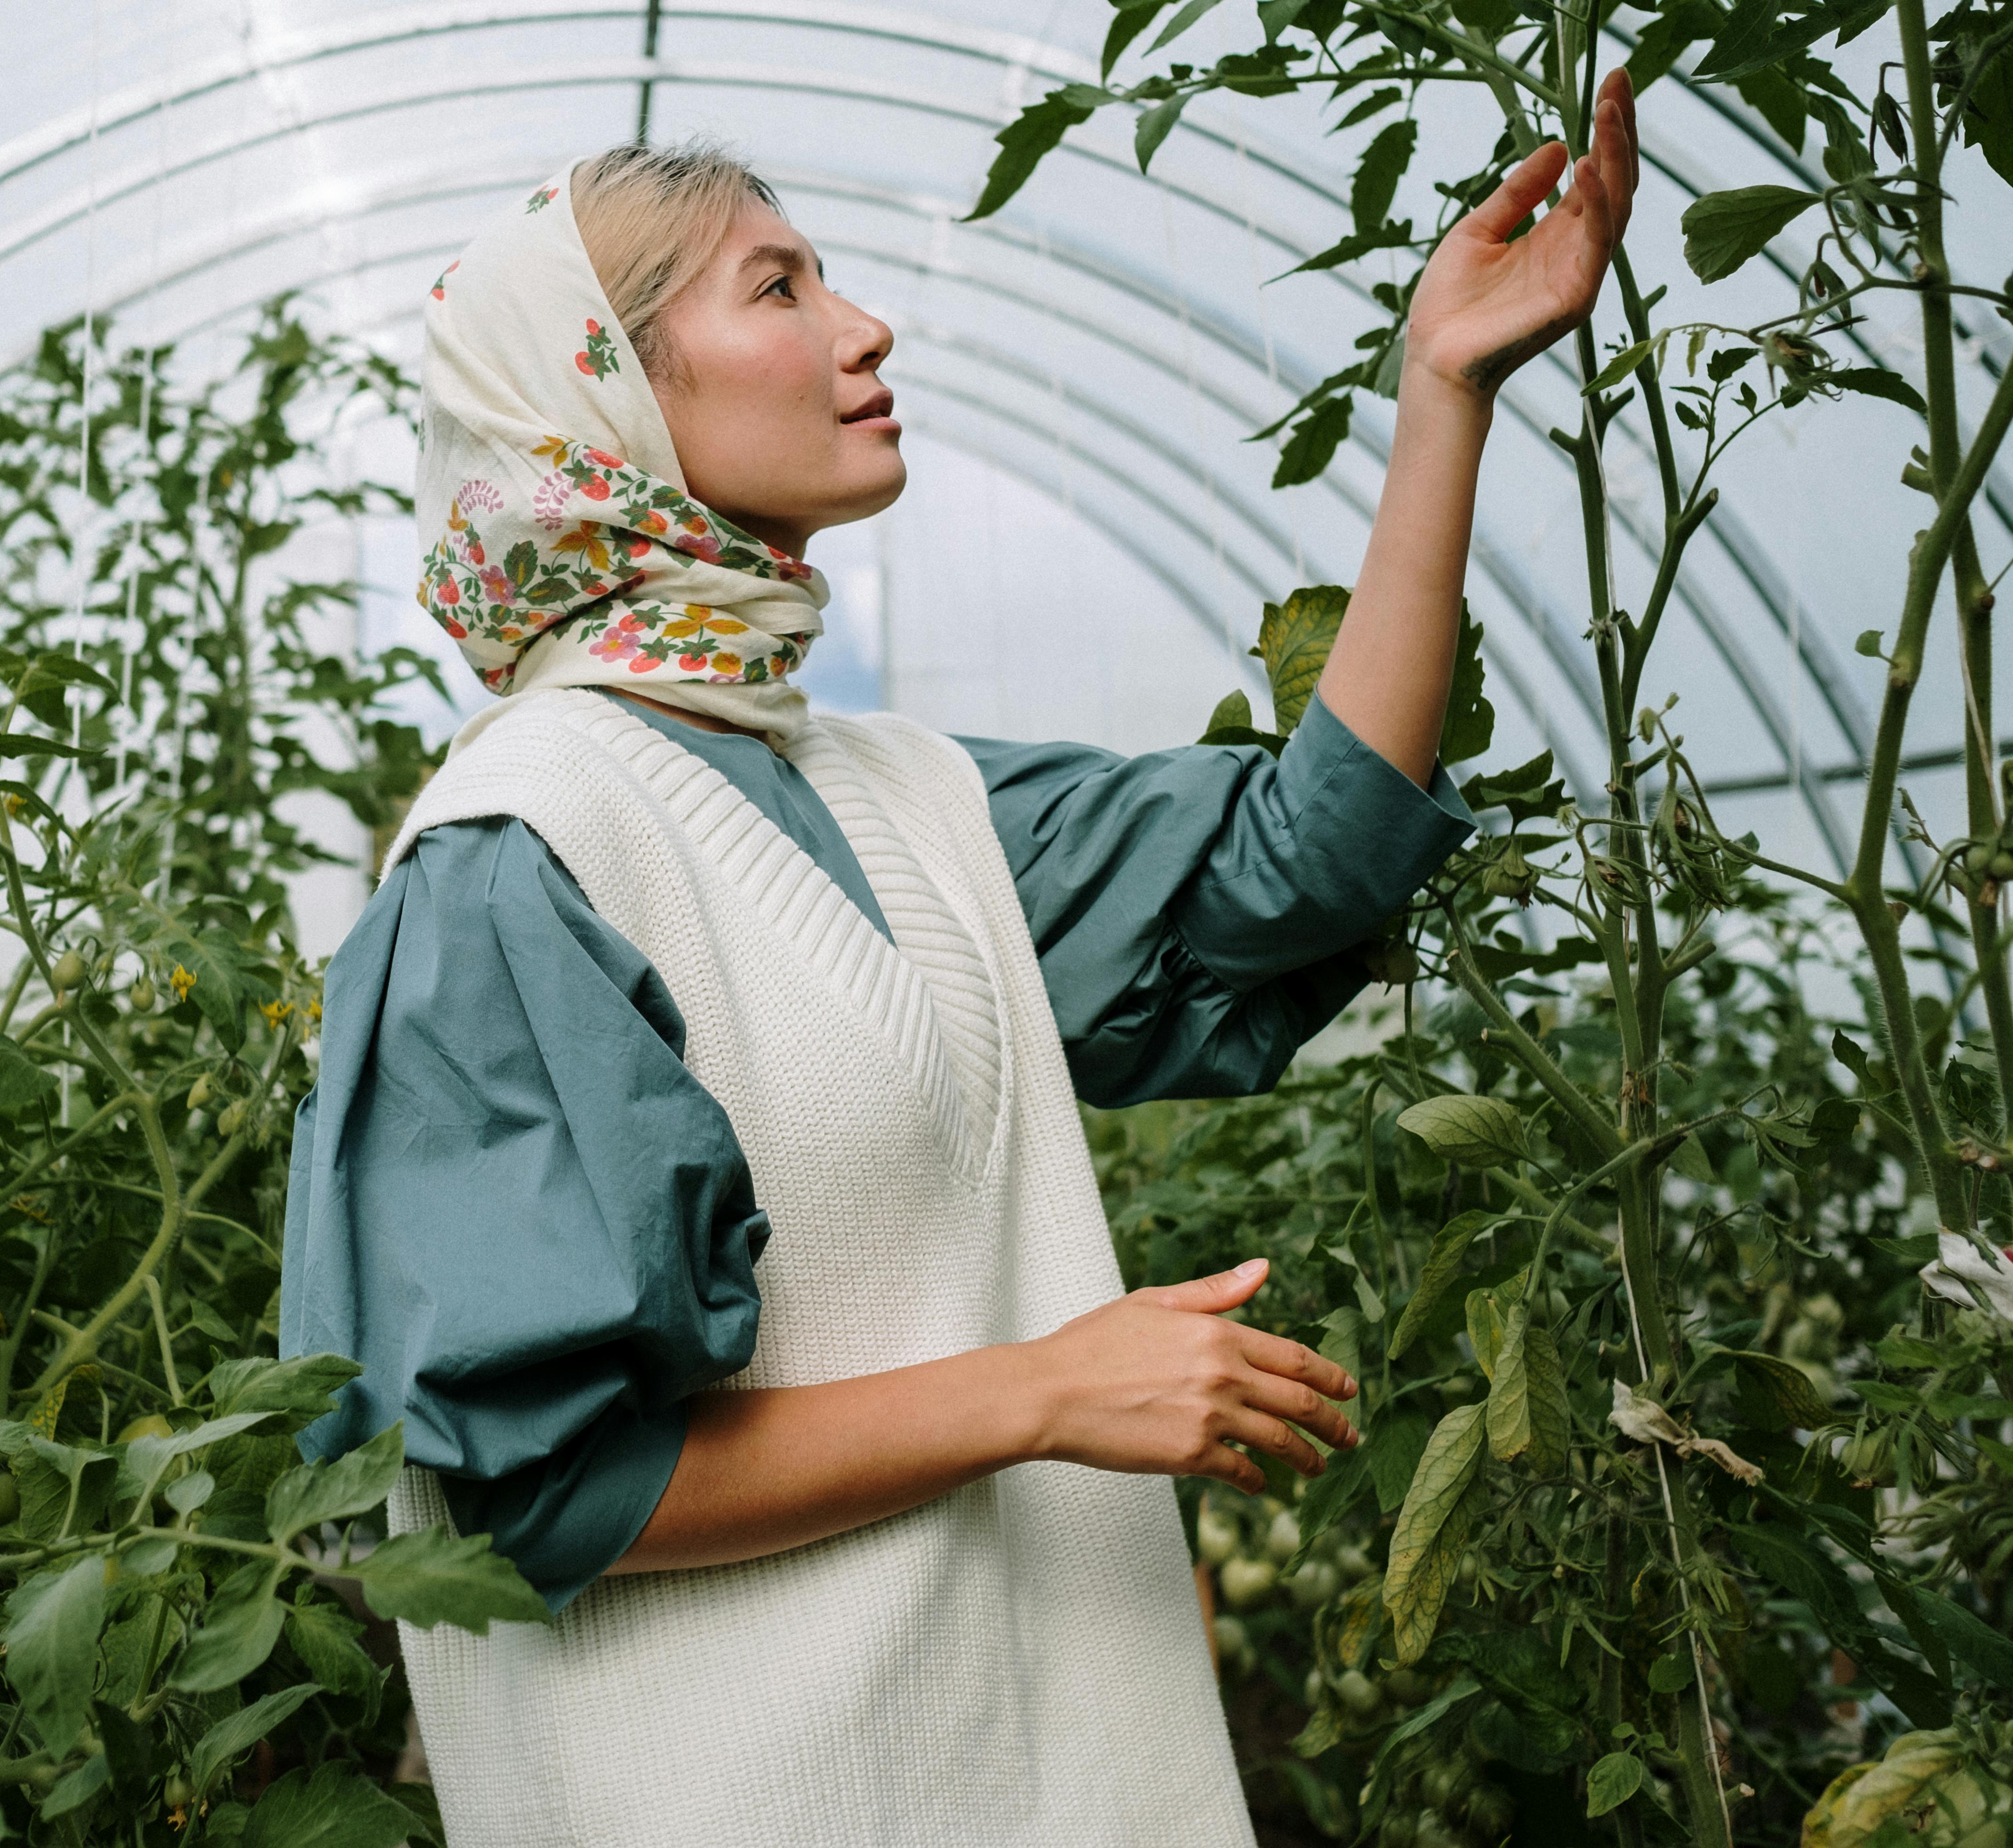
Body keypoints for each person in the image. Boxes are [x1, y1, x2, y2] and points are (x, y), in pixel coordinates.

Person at [283, 75, 1638, 1847]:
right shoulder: (524, 856)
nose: (865, 326)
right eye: (778, 290)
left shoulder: (899, 794)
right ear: (605, 392)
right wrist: (1047, 1389)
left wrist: (1442, 395)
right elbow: (536, 1488)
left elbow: (1300, 859)